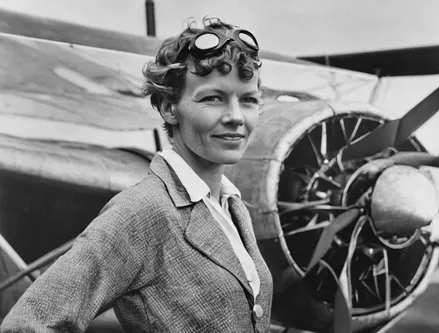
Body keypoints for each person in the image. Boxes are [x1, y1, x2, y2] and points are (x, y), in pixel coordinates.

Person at [1, 18, 273, 332]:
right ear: (169, 108)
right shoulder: (142, 210)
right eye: (213, 98)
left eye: (249, 100)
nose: (236, 117)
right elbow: (26, 325)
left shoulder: (232, 207)